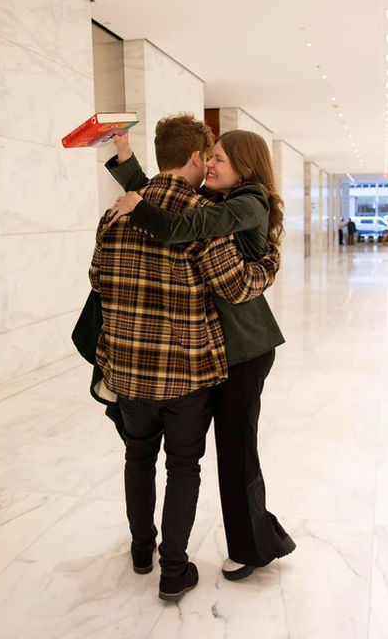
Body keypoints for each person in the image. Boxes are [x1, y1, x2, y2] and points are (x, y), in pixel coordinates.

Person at [89, 114, 281, 602]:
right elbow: (235, 285)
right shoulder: (204, 220)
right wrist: (272, 260)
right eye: (211, 156)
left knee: (137, 457)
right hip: (183, 372)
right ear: (197, 157)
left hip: (129, 369)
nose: (214, 164)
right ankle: (174, 570)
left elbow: (98, 279)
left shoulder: (116, 212)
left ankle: (140, 551)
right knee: (183, 466)